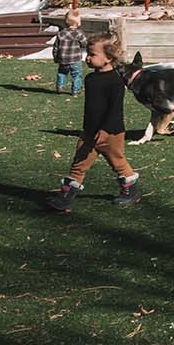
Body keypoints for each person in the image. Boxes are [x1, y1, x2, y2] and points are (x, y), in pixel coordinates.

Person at [46, 34, 142, 212]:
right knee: (78, 164)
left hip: (111, 133)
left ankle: (131, 190)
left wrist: (105, 131)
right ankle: (65, 199)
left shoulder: (115, 82)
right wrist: (88, 129)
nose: (87, 58)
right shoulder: (90, 79)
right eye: (87, 54)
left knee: (118, 162)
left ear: (109, 58)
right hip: (90, 132)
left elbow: (115, 111)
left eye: (92, 54)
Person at [52, 9, 88, 95]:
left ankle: (60, 87)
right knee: (76, 75)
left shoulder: (61, 33)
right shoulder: (79, 34)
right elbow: (85, 43)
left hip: (63, 59)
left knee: (62, 73)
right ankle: (76, 90)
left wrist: (56, 57)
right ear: (78, 23)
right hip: (75, 59)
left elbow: (56, 47)